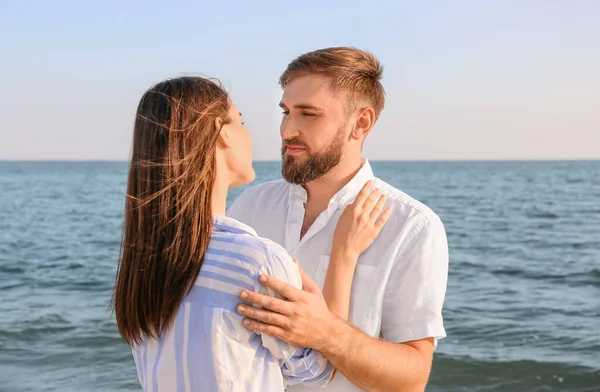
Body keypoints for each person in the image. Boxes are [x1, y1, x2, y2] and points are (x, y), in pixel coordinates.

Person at [112, 76, 392, 391]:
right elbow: (318, 370)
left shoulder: (146, 263)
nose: (283, 132)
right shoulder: (257, 263)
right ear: (221, 133)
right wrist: (344, 253)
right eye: (241, 122)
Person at [227, 47, 450, 391]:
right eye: (286, 112)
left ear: (361, 123)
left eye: (309, 114)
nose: (287, 130)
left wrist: (326, 332)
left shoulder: (412, 226)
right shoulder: (250, 206)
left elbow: (412, 379)